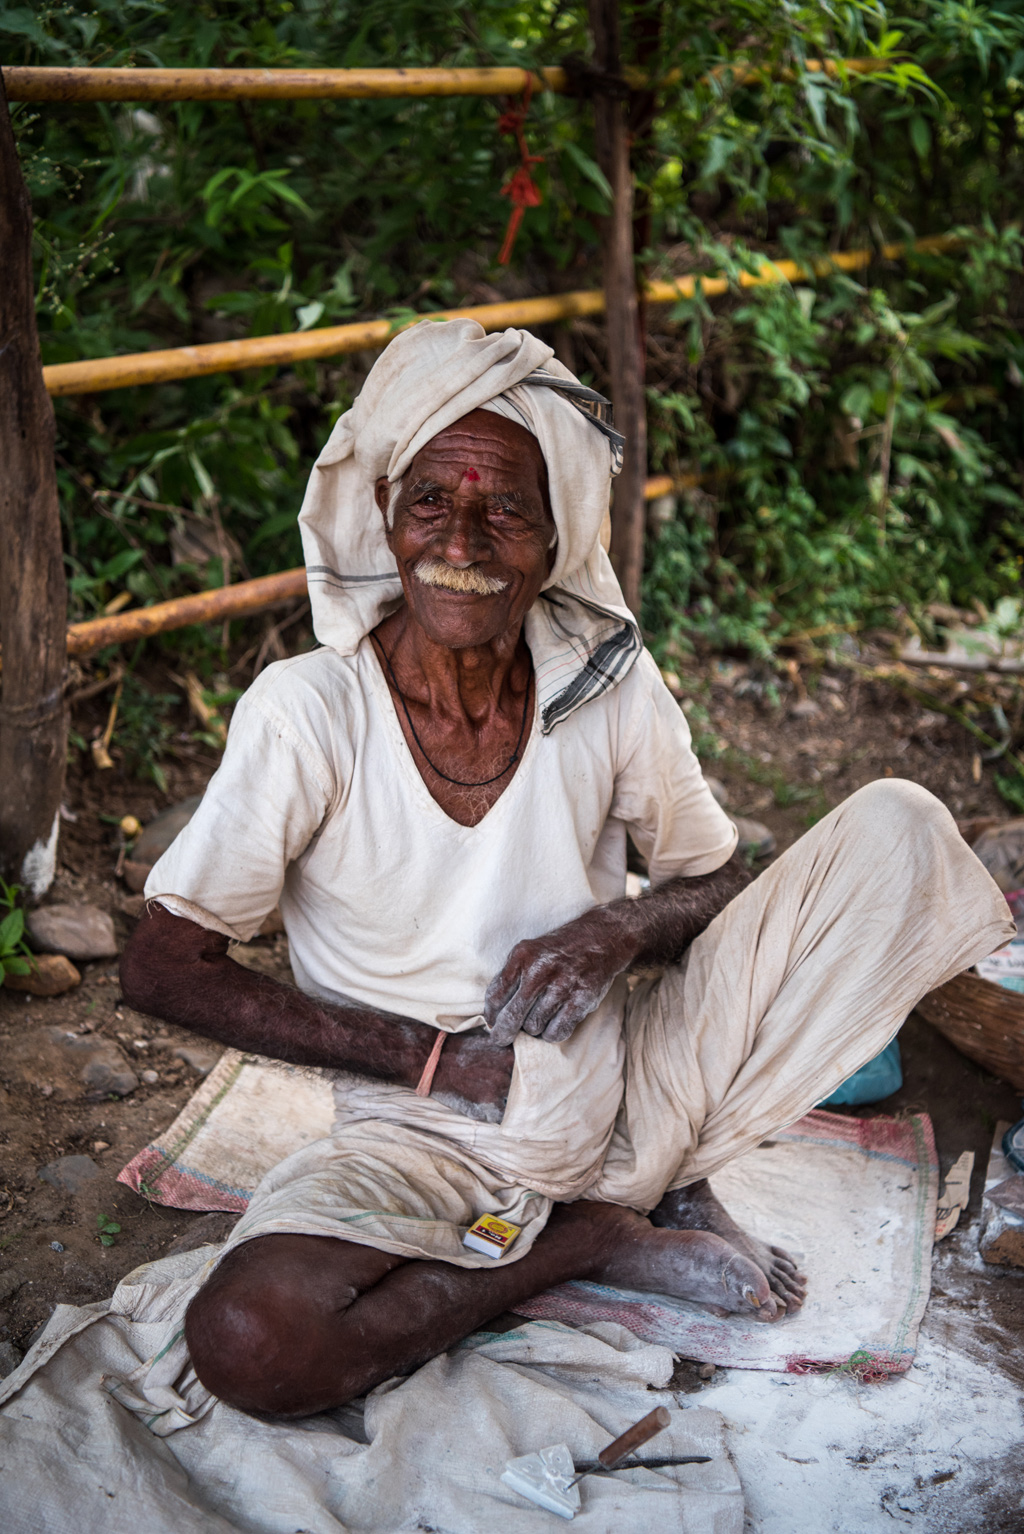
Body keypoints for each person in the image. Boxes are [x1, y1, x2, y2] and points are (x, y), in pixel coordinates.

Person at [120, 318, 1013, 1421]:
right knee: (250, 1344)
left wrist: (616, 931)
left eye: (506, 508)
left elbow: (716, 879)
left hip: (632, 1088)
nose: (463, 538)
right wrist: (432, 1058)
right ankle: (577, 1244)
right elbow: (161, 968)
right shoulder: (310, 710)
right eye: (432, 501)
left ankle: (672, 1184)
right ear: (390, 518)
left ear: (553, 542)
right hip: (420, 1130)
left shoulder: (607, 684)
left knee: (898, 825)